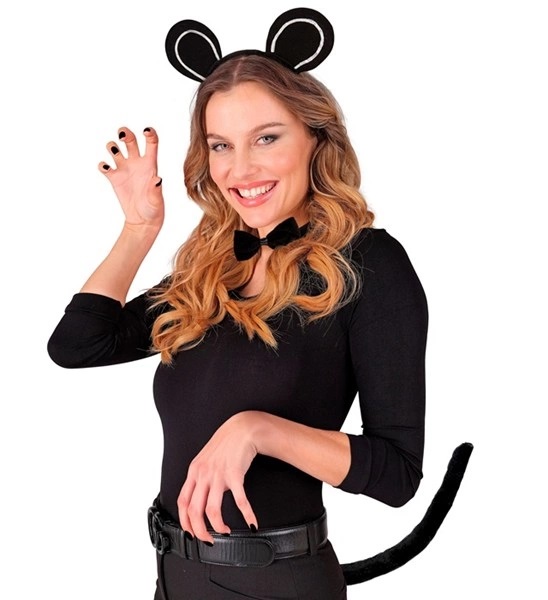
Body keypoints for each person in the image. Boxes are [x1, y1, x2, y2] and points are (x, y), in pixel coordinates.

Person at [47, 8, 428, 600]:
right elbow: (77, 345)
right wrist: (139, 228)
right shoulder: (212, 268)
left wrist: (259, 429)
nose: (240, 169)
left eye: (267, 138)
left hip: (280, 584)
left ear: (316, 138)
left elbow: (397, 474)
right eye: (221, 145)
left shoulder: (370, 265)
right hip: (174, 578)